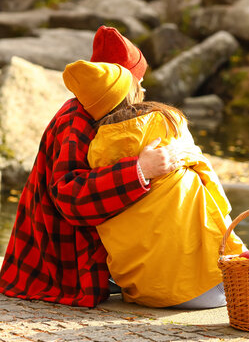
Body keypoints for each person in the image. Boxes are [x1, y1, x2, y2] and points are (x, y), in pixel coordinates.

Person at [0, 26, 180, 308]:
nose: (143, 91)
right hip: (57, 265)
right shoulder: (76, 120)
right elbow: (69, 196)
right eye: (139, 83)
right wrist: (139, 170)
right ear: (121, 83)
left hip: (69, 253)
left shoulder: (99, 115)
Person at [64, 60, 244, 308]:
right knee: (194, 180)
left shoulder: (96, 149)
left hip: (139, 291)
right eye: (137, 82)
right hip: (203, 290)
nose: (143, 88)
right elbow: (216, 196)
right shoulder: (166, 122)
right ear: (128, 90)